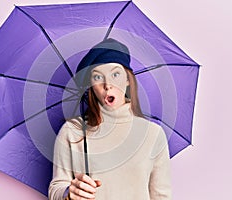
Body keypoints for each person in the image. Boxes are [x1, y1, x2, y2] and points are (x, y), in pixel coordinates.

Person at [49, 38, 171, 200]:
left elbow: (161, 196)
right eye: (98, 77)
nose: (107, 85)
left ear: (128, 79)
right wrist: (69, 193)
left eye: (115, 74)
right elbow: (55, 190)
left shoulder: (153, 133)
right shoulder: (72, 131)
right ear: (91, 85)